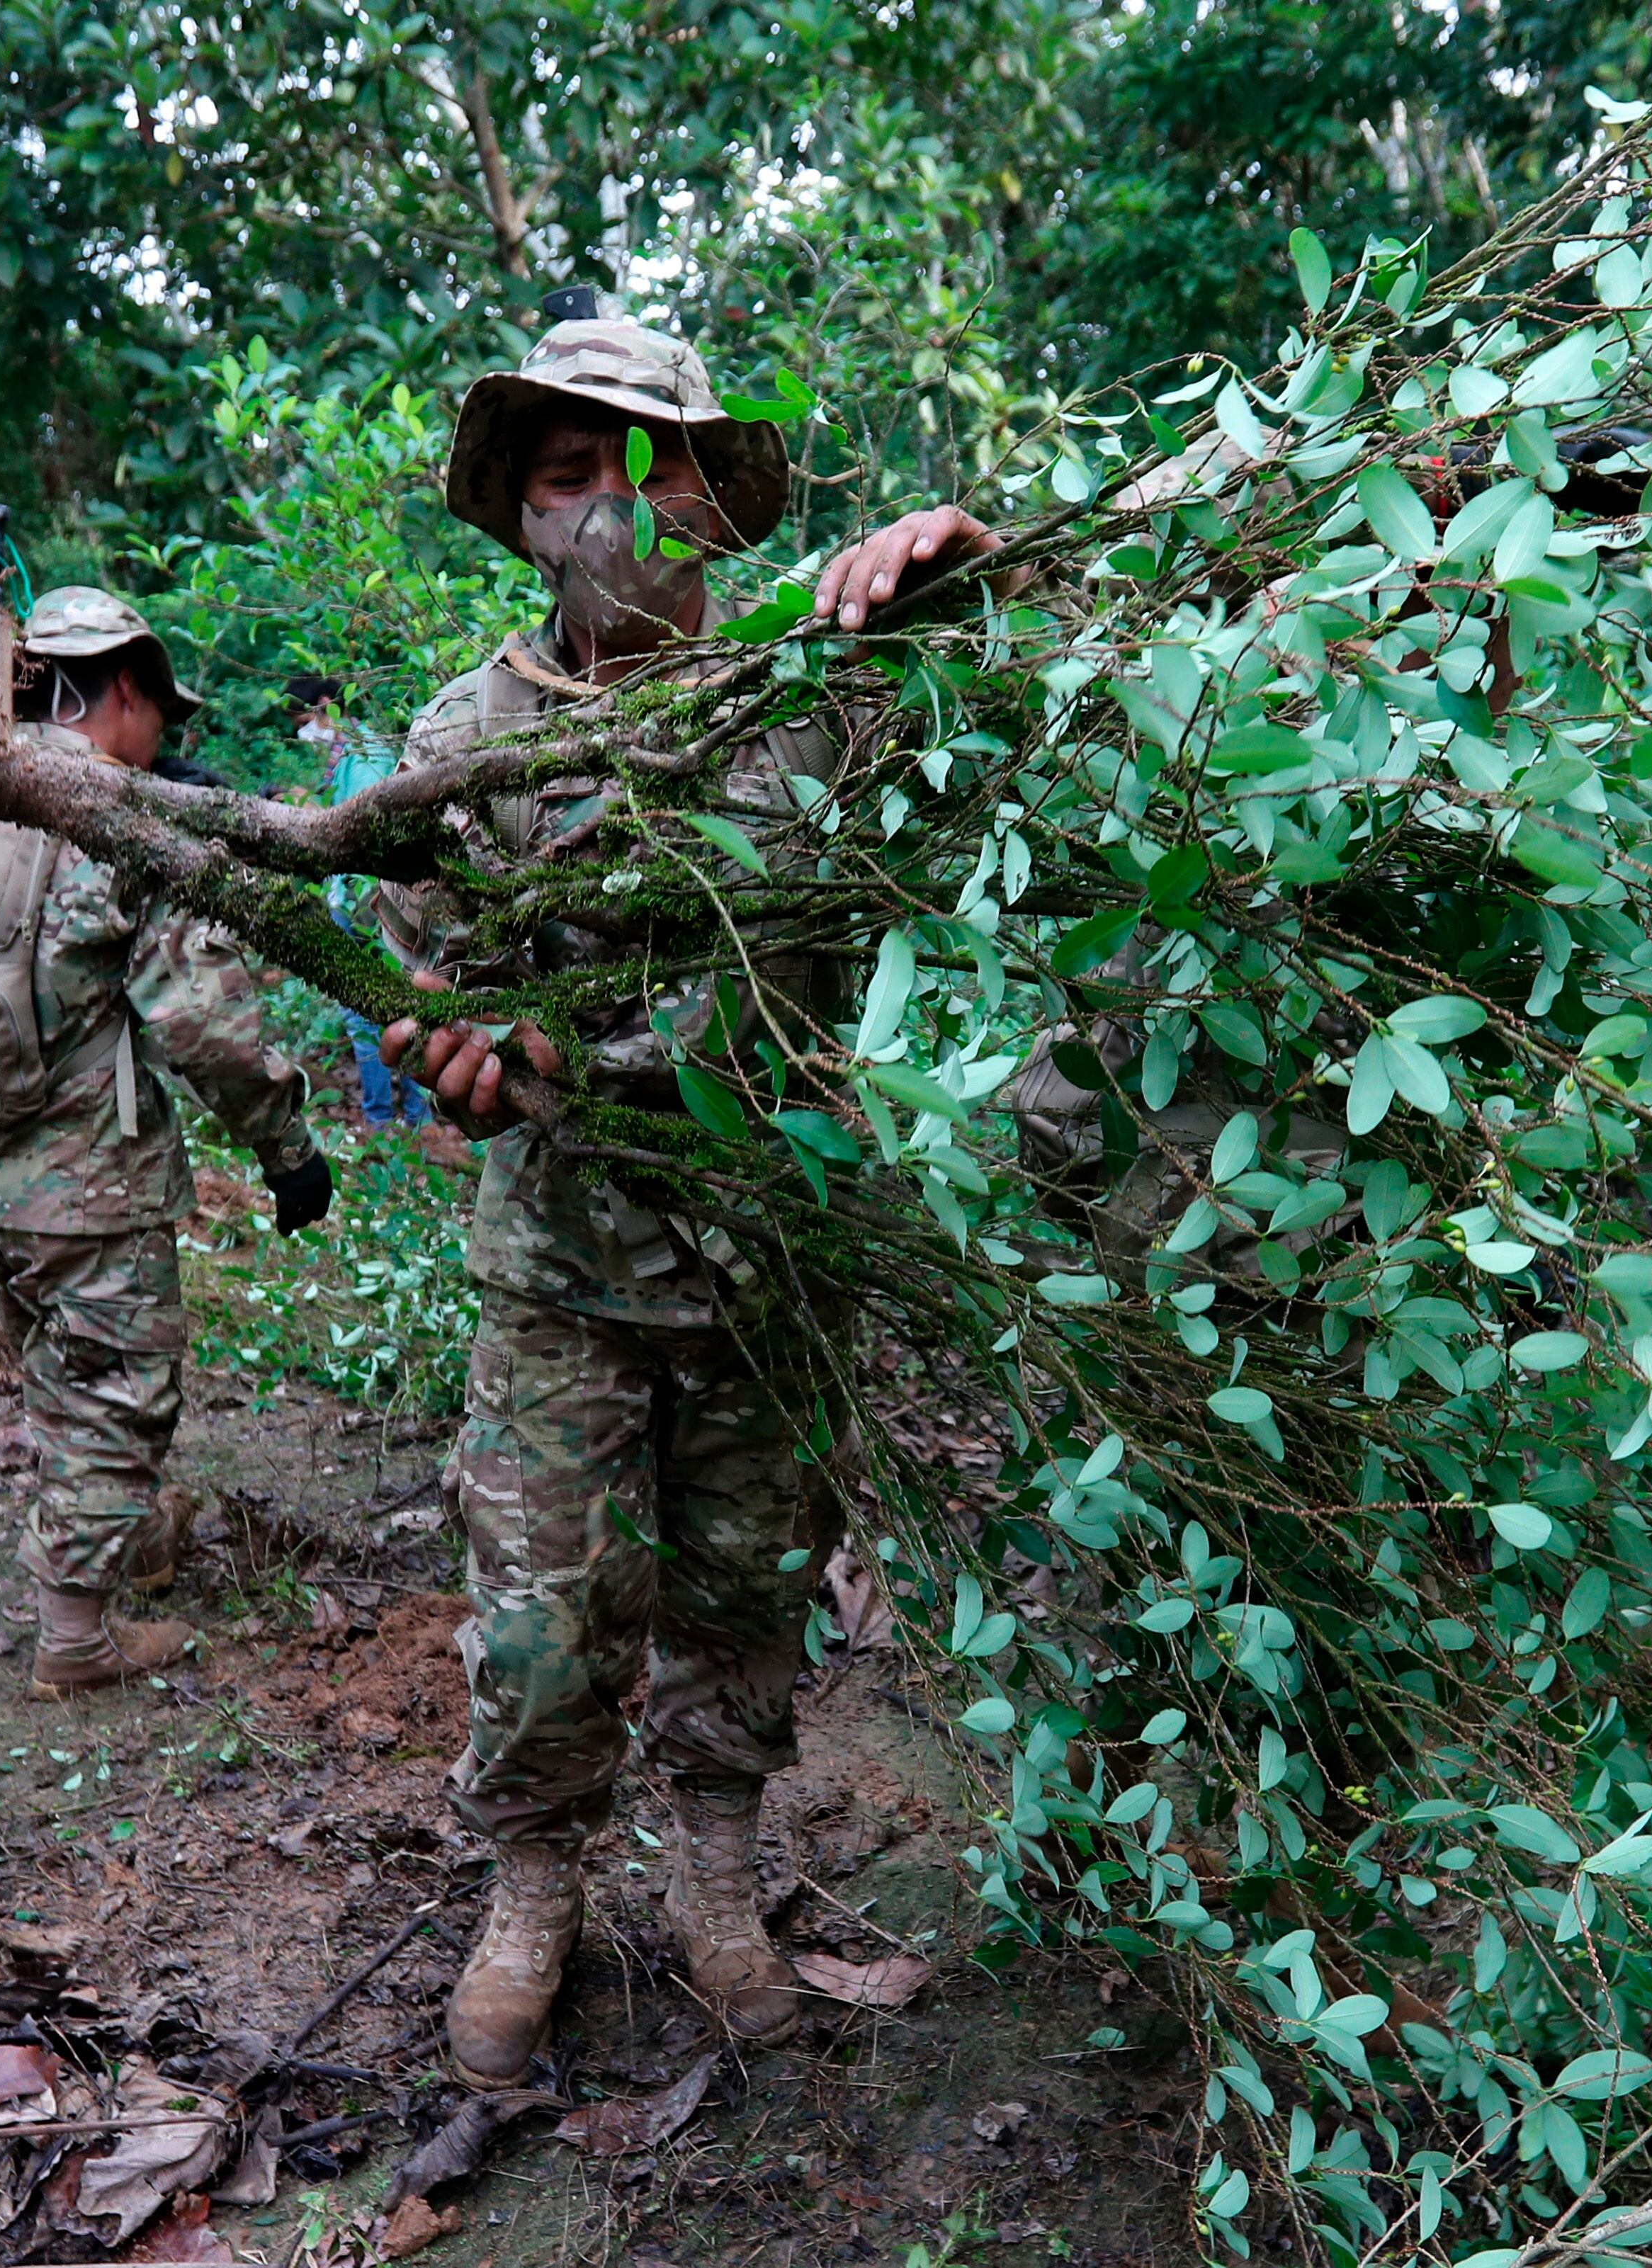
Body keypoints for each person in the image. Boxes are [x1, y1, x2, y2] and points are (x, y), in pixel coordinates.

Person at [368, 309, 1005, 2084]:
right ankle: (533, 1886)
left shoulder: (821, 689)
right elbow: (427, 987)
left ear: (718, 507)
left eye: (650, 472)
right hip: (561, 1267)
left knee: (744, 1587)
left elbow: (1024, 695)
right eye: (569, 476)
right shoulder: (457, 737)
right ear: (516, 512)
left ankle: (719, 1870)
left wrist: (966, 556)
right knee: (541, 1613)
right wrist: (461, 1059)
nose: (610, 511)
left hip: (765, 1261)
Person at [0, 586, 335, 1698]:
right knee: (119, 1392)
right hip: (89, 1187)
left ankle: (97, 1553)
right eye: (161, 714)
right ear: (125, 688)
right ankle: (76, 1636)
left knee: (60, 1377)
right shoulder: (110, 825)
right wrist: (287, 1146)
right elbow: (203, 1022)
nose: (165, 739)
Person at [290, 674, 431, 1135]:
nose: (300, 733)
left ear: (325, 707)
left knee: (374, 1012)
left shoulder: (365, 759)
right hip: (357, 896)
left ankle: (390, 1119)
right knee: (385, 1010)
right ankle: (408, 1116)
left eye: (300, 719)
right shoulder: (347, 757)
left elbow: (368, 834)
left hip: (368, 902)